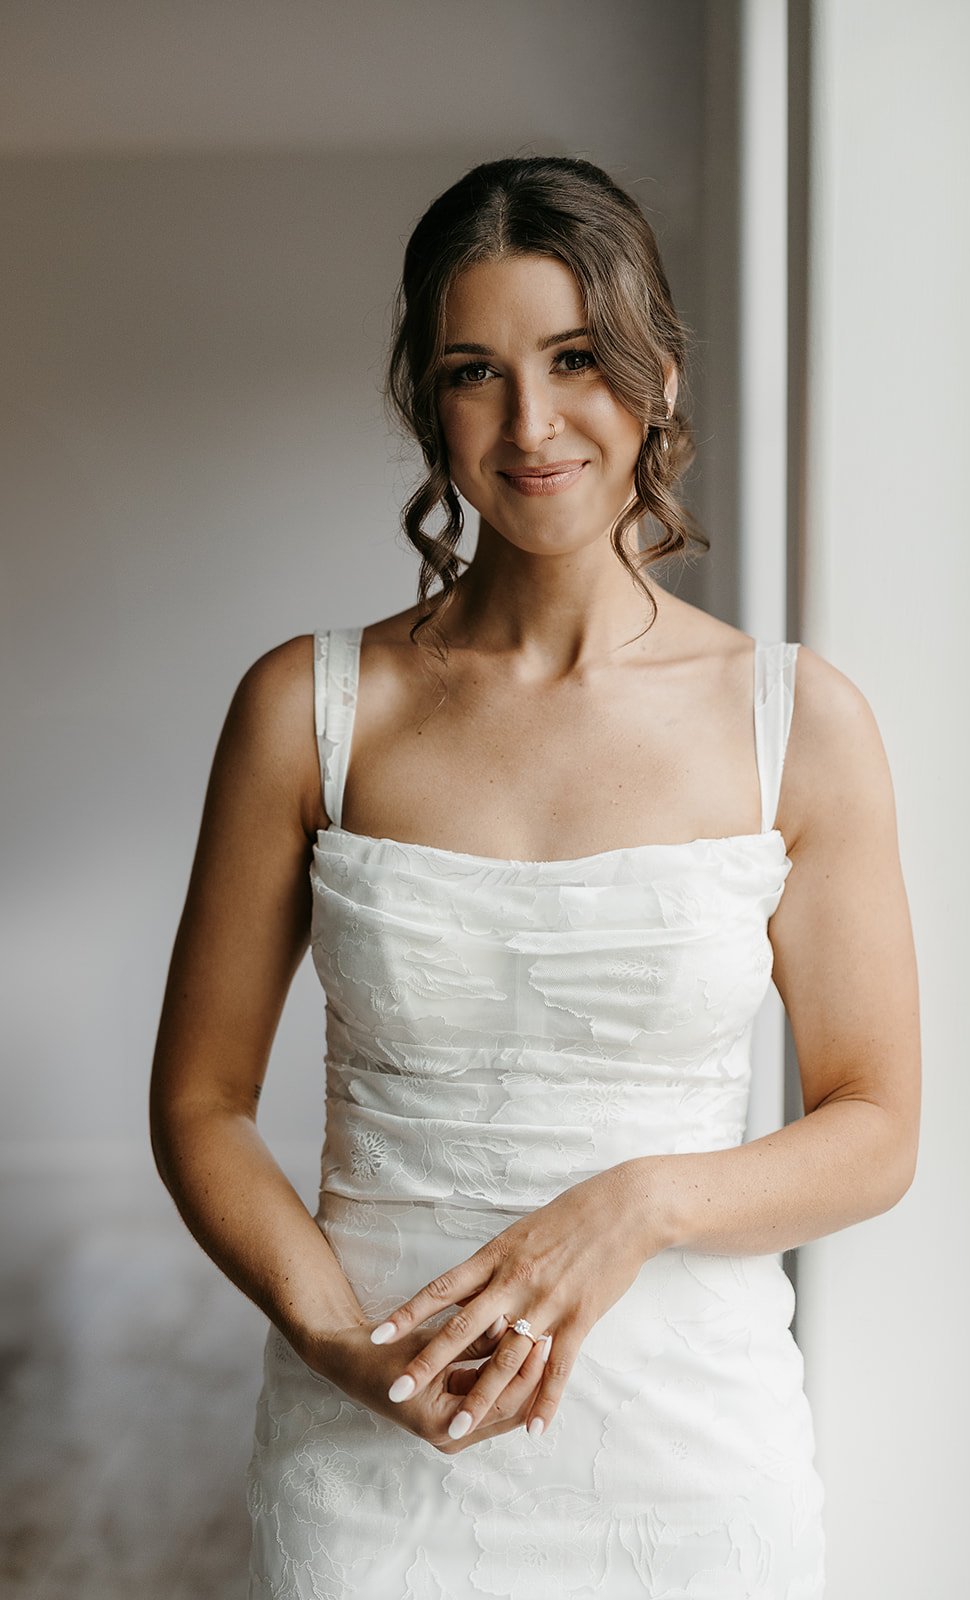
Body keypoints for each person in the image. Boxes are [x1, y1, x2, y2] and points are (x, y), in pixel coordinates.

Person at [149, 155, 920, 1599]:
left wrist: (641, 1203)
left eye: (575, 359)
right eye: (473, 372)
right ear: (423, 402)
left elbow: (877, 1126)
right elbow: (201, 1103)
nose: (531, 424)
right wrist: (334, 1342)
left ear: (659, 374)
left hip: (691, 1461)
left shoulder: (798, 723)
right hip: (374, 1443)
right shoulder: (308, 709)